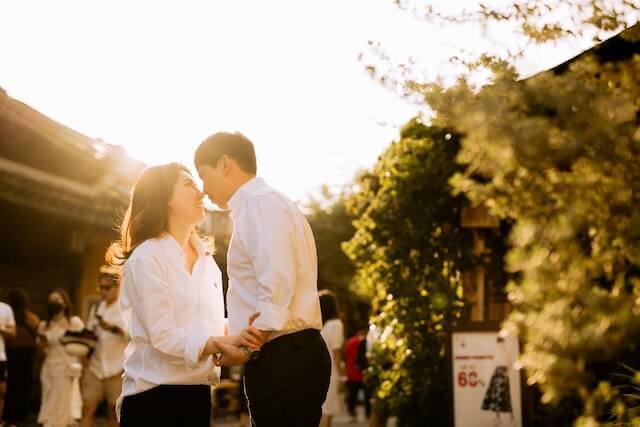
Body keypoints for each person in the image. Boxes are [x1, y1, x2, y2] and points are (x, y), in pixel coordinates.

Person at [106, 163, 263, 427]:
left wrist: (243, 332)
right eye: (189, 184)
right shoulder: (146, 257)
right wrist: (223, 342)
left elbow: (208, 328)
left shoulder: (207, 261)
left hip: (198, 394)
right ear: (164, 197)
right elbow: (162, 334)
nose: (200, 192)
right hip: (153, 397)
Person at [195, 131, 331, 427]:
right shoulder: (266, 203)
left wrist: (245, 349)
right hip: (286, 353)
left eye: (204, 175)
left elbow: (277, 282)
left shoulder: (260, 204)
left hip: (283, 355)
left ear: (225, 164)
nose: (203, 189)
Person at [79, 269, 128, 427]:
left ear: (117, 287)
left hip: (117, 369)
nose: (102, 291)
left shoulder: (126, 308)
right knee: (87, 409)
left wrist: (112, 328)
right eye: (100, 287)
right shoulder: (96, 308)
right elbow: (89, 335)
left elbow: (132, 335)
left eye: (106, 287)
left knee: (114, 412)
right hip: (95, 366)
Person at [37, 288, 85, 427]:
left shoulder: (74, 322)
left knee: (62, 407)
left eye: (57, 299)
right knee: (49, 404)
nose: (54, 303)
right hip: (48, 370)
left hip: (66, 369)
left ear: (65, 303)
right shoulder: (44, 325)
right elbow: (41, 352)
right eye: (51, 300)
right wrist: (42, 344)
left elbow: (86, 345)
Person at [4, 288, 39, 427]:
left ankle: (8, 416)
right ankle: (21, 416)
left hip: (11, 353)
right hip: (26, 355)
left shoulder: (8, 317)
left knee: (10, 385)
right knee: (23, 386)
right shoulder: (31, 318)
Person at [319, 290, 345, 427]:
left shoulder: (321, 326)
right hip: (332, 371)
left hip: (319, 368)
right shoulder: (336, 324)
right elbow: (336, 352)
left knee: (323, 409)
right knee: (328, 412)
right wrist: (342, 376)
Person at [344, 327, 371, 421]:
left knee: (352, 395)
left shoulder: (350, 342)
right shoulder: (365, 341)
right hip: (363, 372)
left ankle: (352, 413)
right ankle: (368, 415)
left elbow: (345, 355)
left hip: (351, 372)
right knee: (367, 395)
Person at [0, 291, 16, 424]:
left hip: (0, 357)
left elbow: (13, 332)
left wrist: (2, 329)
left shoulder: (5, 308)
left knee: (1, 391)